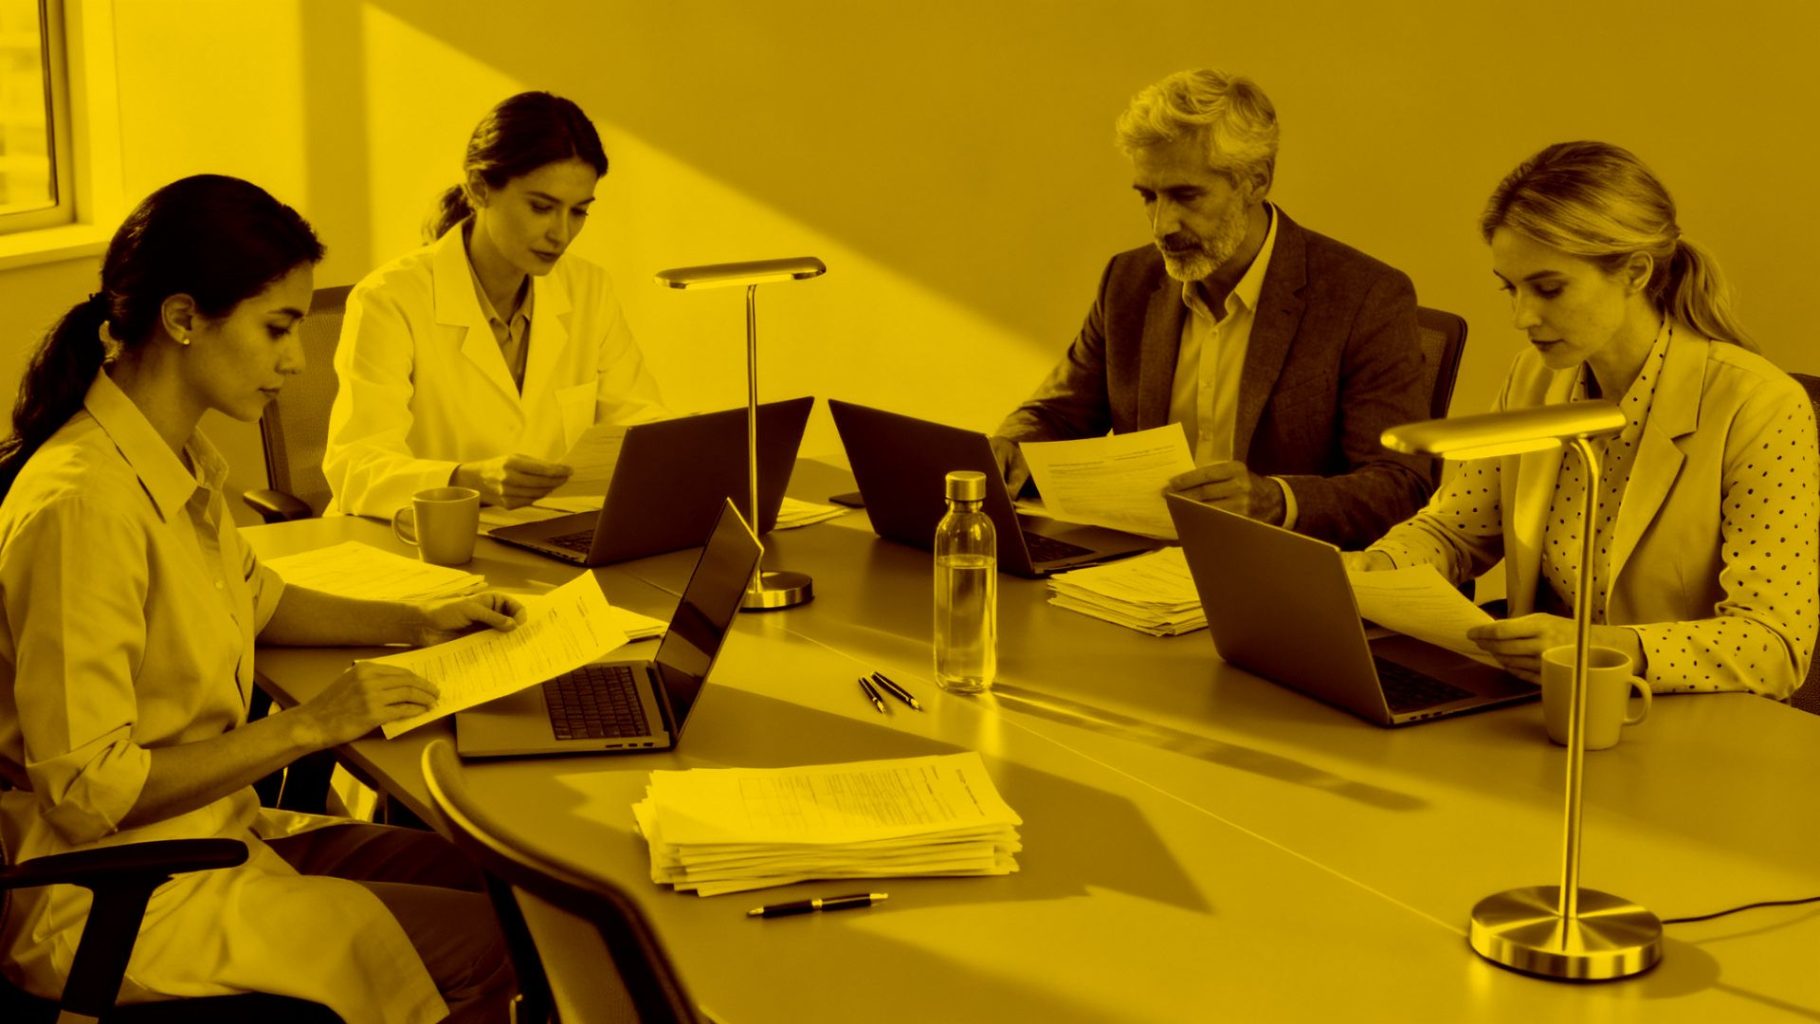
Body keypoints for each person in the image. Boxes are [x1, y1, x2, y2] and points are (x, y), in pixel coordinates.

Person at [0, 175, 522, 1022]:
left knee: (499, 882)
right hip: (116, 901)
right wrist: (312, 725)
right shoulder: (84, 507)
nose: (297, 360)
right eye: (278, 327)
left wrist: (418, 620)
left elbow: (261, 599)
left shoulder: (177, 459)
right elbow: (89, 793)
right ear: (183, 319)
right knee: (499, 944)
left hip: (210, 833)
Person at [1349, 142, 1818, 699]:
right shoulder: (1535, 377)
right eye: (1511, 288)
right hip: (1543, 704)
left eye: (1549, 289)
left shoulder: (1760, 406)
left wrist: (1604, 647)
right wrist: (1376, 568)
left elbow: (1774, 645)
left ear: (1635, 272)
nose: (1522, 316)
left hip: (1676, 714)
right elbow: (1454, 529)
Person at [991, 68, 1434, 549]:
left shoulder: (1364, 296)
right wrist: (1012, 445)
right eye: (1148, 197)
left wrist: (1277, 500)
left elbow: (1399, 484)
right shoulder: (1129, 281)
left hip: (1280, 567)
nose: (1162, 226)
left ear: (1256, 181)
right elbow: (1060, 415)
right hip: (1139, 564)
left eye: (1186, 195)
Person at [325, 91, 668, 517]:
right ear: (479, 189)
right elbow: (355, 467)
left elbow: (641, 428)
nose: (561, 234)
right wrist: (467, 480)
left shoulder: (588, 289)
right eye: (541, 207)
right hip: (418, 537)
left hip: (540, 532)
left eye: (578, 212)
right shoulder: (389, 298)